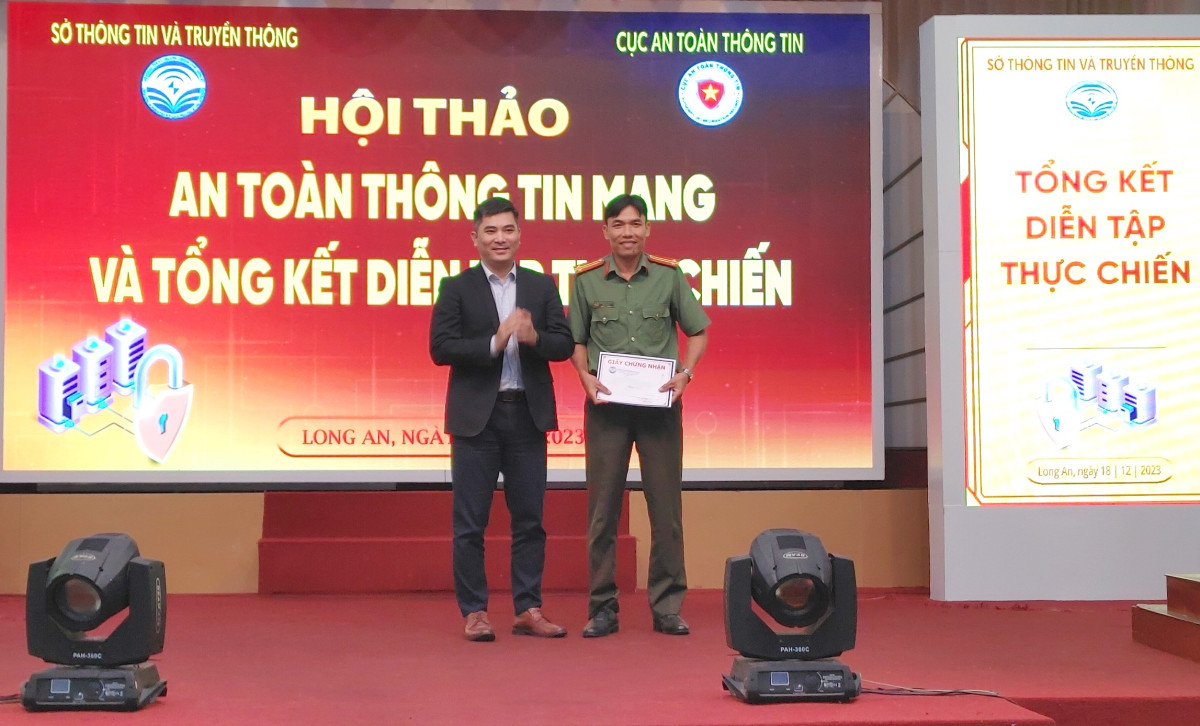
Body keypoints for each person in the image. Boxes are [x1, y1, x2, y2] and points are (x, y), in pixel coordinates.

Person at [430, 197, 574, 642]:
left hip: (527, 415)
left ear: (519, 236)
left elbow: (564, 343)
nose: (499, 238)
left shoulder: (541, 285)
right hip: (477, 418)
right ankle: (475, 612)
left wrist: (534, 337)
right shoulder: (456, 287)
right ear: (475, 238)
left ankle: (528, 608)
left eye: (507, 230)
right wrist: (495, 342)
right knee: (470, 523)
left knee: (530, 519)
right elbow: (441, 347)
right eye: (490, 231)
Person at [569, 194, 710, 638]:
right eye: (618, 224)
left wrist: (686, 373)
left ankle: (667, 606)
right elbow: (576, 341)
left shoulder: (669, 276)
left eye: (635, 224)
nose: (627, 232)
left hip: (659, 410)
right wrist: (584, 376)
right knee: (602, 512)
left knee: (666, 511)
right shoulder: (585, 280)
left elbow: (698, 331)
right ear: (605, 231)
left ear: (647, 229)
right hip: (607, 410)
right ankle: (602, 608)